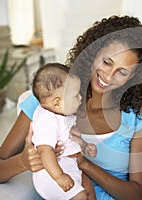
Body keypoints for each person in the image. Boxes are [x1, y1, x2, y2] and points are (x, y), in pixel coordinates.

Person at [0, 15, 142, 200]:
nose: (109, 76)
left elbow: (138, 194)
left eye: (122, 72)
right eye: (107, 62)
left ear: (134, 77)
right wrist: (22, 162)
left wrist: (84, 163)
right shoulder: (47, 102)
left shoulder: (136, 117)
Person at [31, 63, 97, 199]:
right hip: (52, 173)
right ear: (57, 102)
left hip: (70, 166)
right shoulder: (46, 121)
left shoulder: (62, 114)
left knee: (89, 187)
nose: (80, 98)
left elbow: (71, 135)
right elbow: (45, 151)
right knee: (80, 196)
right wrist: (59, 176)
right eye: (75, 95)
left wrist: (84, 145)